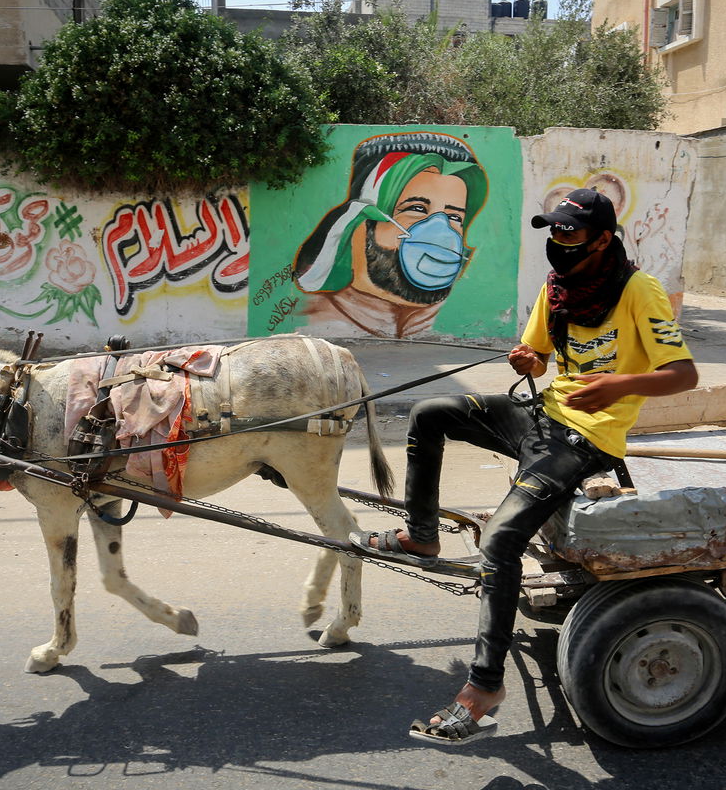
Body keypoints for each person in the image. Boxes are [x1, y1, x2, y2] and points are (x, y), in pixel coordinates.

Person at [351, 188, 698, 746]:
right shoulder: (557, 289)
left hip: (589, 437)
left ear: (603, 239)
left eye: (570, 233)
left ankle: (485, 687)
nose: (558, 242)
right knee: (429, 412)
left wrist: (617, 385)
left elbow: (684, 375)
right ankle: (421, 536)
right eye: (553, 232)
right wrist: (528, 359)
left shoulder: (639, 291)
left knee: (501, 539)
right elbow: (537, 354)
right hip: (542, 416)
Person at [293, 132, 489, 338]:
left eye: (455, 217)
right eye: (417, 208)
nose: (441, 232)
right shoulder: (314, 322)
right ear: (362, 221)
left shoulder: (436, 322)